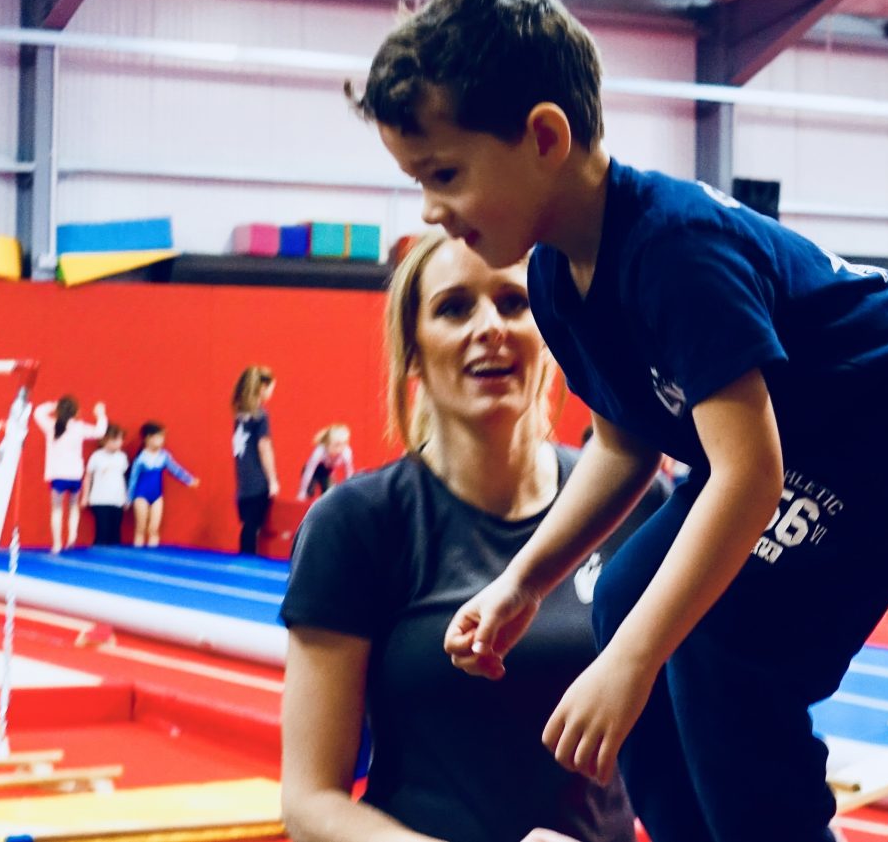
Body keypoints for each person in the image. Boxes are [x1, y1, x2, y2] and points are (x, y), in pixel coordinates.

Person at [355, 0, 888, 841]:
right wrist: (522, 582)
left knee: (729, 641)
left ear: (544, 136)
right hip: (792, 438)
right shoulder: (555, 279)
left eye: (445, 174)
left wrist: (632, 661)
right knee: (623, 596)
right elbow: (623, 447)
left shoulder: (674, 249)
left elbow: (748, 474)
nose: (432, 209)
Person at [282, 231, 664, 842]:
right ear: (412, 352)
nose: (490, 327)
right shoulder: (355, 524)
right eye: (455, 308)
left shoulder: (636, 502)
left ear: (550, 333)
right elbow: (308, 803)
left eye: (513, 303)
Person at [34, 395, 107, 554]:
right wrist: (101, 415)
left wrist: (53, 405)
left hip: (58, 474)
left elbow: (38, 412)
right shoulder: (78, 427)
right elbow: (100, 432)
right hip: (75, 474)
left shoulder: (52, 426)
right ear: (76, 412)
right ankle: (72, 537)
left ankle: (57, 543)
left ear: (58, 411)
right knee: (73, 507)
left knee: (57, 509)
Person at [232, 367, 281, 555]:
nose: (271, 394)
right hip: (257, 481)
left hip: (243, 482)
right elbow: (264, 447)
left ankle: (245, 558)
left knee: (248, 526)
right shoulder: (260, 415)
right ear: (262, 388)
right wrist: (272, 480)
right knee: (254, 527)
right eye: (271, 389)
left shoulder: (240, 414)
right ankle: (248, 562)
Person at [127, 422, 196, 548]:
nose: (162, 440)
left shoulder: (164, 456)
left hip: (157, 495)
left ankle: (153, 554)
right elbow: (133, 479)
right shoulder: (141, 458)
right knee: (141, 528)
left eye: (163, 437)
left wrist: (189, 480)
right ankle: (137, 554)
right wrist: (129, 498)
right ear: (148, 438)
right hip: (140, 495)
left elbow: (176, 469)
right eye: (159, 437)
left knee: (154, 529)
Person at [82, 425, 130, 548]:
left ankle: (115, 556)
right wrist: (85, 496)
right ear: (105, 440)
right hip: (100, 500)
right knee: (102, 531)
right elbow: (88, 476)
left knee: (115, 533)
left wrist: (126, 497)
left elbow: (124, 478)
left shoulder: (122, 457)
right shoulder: (97, 456)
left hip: (117, 500)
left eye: (120, 439)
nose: (119, 442)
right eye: (115, 439)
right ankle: (98, 554)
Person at [298, 424, 354, 501]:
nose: (340, 448)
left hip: (327, 472)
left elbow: (348, 474)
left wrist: (350, 492)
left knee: (330, 494)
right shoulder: (319, 451)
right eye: (336, 445)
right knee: (309, 491)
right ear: (328, 444)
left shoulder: (346, 453)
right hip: (314, 471)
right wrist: (302, 491)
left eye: (344, 444)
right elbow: (309, 471)